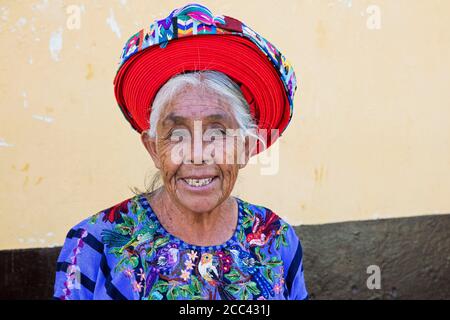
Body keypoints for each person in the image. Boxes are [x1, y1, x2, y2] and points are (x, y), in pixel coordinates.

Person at [53, 3, 308, 300]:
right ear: (153, 148)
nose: (197, 154)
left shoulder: (276, 240)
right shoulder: (95, 244)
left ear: (246, 147)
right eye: (176, 134)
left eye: (217, 133)